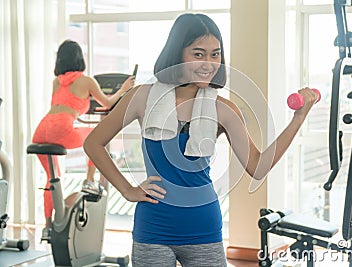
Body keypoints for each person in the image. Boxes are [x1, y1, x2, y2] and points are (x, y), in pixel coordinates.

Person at [83, 13, 318, 267]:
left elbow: (258, 166)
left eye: (215, 54)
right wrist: (127, 190)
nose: (208, 63)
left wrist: (298, 118)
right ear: (177, 55)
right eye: (198, 54)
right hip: (153, 228)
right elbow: (93, 143)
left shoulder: (223, 109)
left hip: (203, 229)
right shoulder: (142, 97)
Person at [32, 39, 135, 240]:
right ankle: (89, 180)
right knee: (97, 138)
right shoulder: (87, 81)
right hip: (61, 128)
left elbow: (63, 107)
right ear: (80, 58)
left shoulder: (57, 82)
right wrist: (123, 89)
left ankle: (48, 227)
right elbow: (107, 102)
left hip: (42, 129)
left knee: (52, 178)